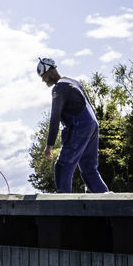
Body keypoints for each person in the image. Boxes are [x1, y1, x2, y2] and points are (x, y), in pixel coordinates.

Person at [39, 57, 109, 194]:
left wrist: (49, 145)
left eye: (44, 76)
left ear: (51, 71)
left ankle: (62, 203)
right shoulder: (73, 82)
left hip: (79, 126)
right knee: (89, 169)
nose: (43, 80)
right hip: (93, 125)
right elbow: (89, 105)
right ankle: (104, 199)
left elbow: (55, 117)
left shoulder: (58, 88)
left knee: (62, 165)